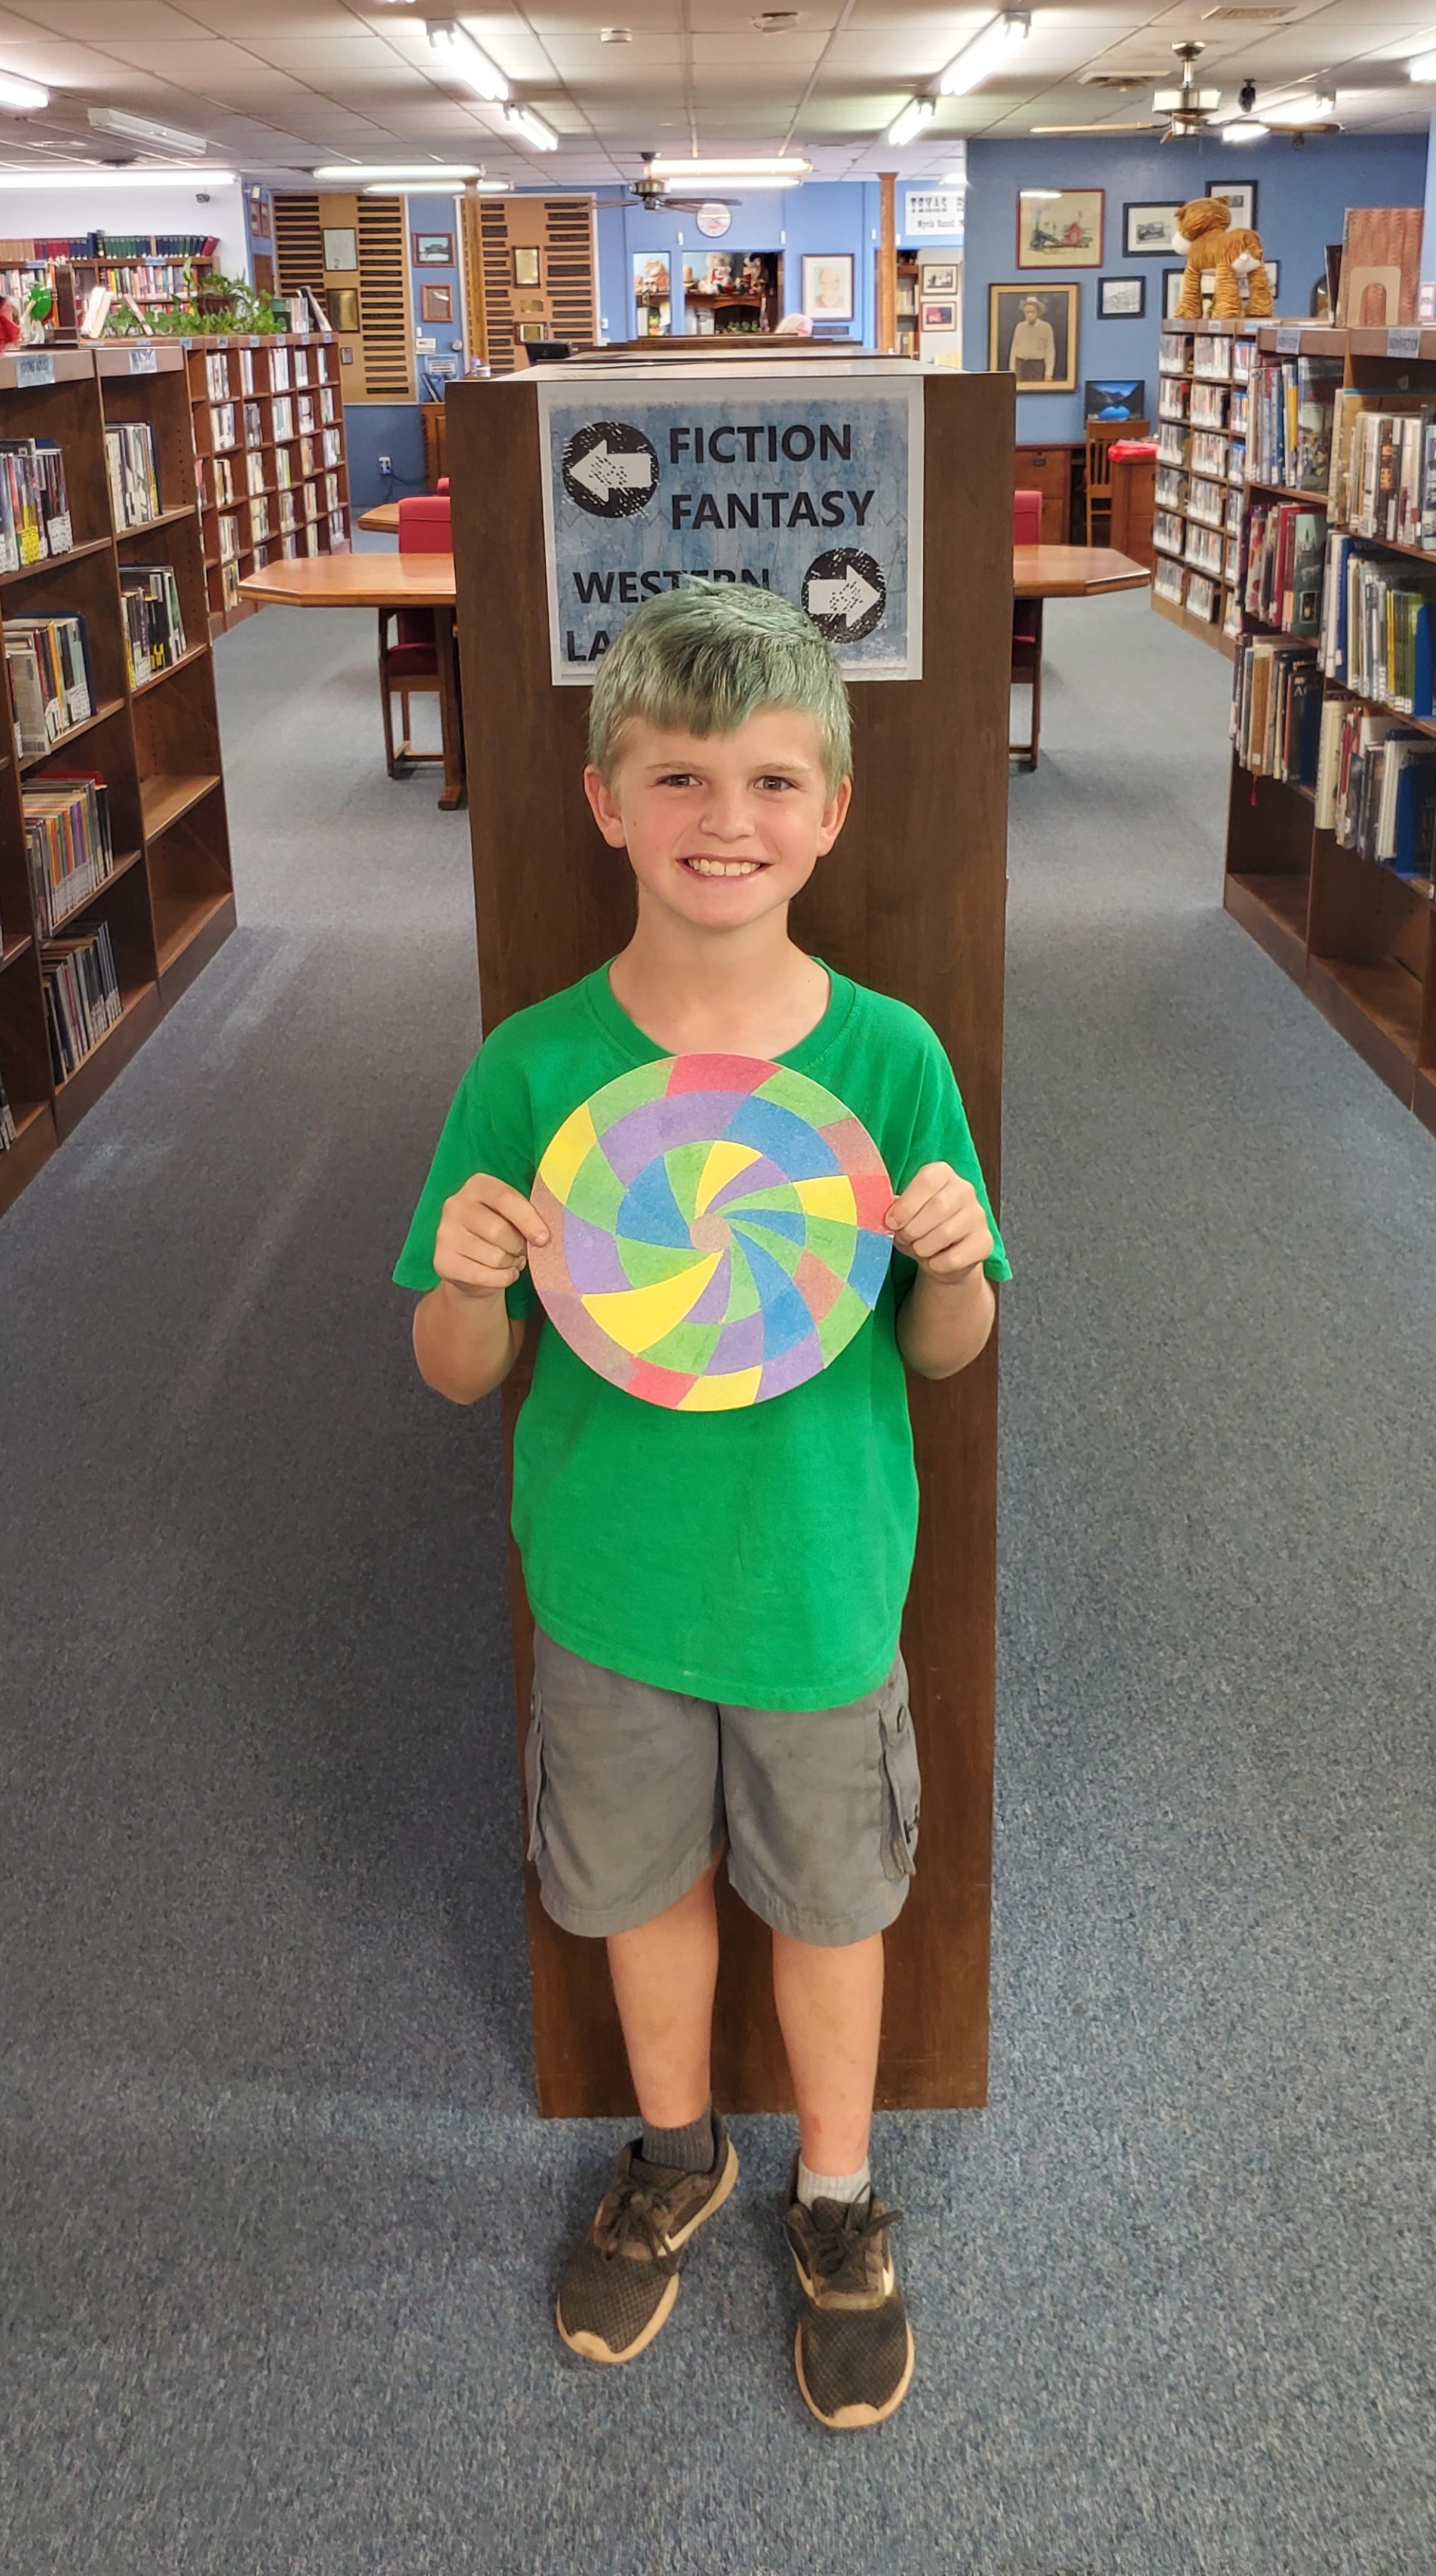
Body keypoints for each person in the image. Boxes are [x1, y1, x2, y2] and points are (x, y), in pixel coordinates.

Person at [396, 582, 1006, 2431]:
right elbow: (454, 1370)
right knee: (633, 1882)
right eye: (676, 776)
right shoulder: (534, 1069)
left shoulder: (887, 1059)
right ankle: (677, 2150)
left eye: (768, 780)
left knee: (830, 1899)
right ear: (604, 802)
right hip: (610, 1581)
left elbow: (947, 1350)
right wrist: (469, 1281)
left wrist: (953, 1262)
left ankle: (837, 2190)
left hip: (816, 1581)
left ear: (830, 812)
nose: (723, 818)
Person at [1007, 291, 1054, 384]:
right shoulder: (1020, 327)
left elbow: (1050, 351)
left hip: (1036, 366)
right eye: (1027, 312)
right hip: (1020, 365)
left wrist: (1049, 373)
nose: (1029, 315)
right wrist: (1012, 370)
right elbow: (1014, 349)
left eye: (1032, 312)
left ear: (1038, 312)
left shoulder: (1045, 327)